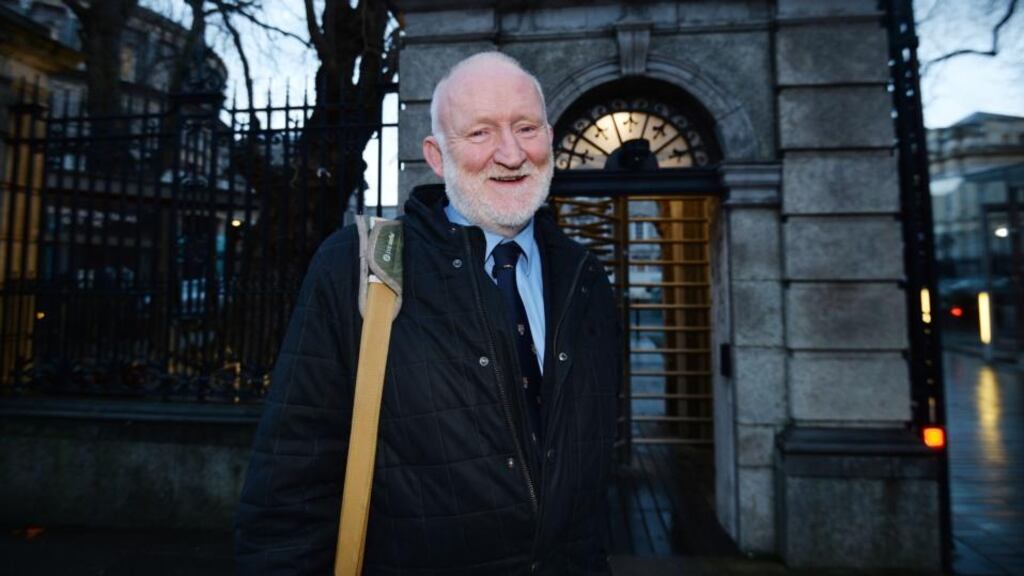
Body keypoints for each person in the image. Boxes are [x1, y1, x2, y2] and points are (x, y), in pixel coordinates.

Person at [235, 51, 620, 575]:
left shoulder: (588, 281)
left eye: (526, 127)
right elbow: (290, 493)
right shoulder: (357, 267)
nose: (511, 153)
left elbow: (588, 493)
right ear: (437, 156)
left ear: (549, 138)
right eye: (480, 133)